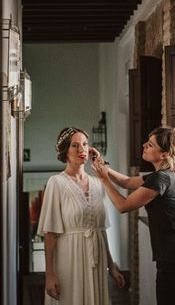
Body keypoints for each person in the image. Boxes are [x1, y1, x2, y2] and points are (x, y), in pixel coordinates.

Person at [92, 126, 175, 305]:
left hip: (174, 260)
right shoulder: (167, 175)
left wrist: (103, 180)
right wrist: (103, 165)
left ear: (164, 154)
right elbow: (126, 182)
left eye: (150, 145)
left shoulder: (161, 179)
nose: (144, 145)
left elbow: (123, 206)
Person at [37, 127, 125, 304]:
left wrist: (112, 267)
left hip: (97, 261)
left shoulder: (97, 183)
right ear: (65, 151)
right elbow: (50, 234)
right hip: (68, 261)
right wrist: (49, 274)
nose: (81, 149)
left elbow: (101, 231)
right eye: (74, 145)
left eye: (85, 144)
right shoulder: (56, 183)